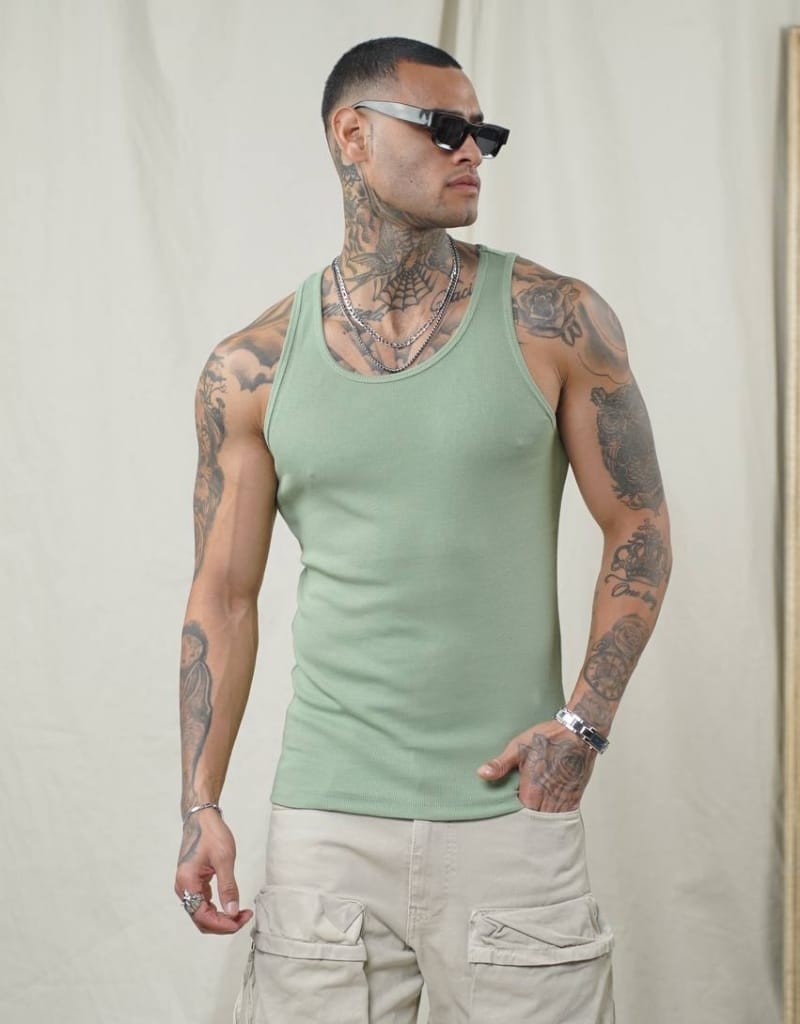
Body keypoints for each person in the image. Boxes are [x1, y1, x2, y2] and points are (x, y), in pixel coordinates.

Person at [174, 35, 671, 1024]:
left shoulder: (553, 321)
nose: (471, 150)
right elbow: (222, 598)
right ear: (351, 135)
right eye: (442, 128)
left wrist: (583, 726)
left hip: (511, 816)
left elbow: (638, 525)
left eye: (483, 132)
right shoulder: (250, 367)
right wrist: (200, 803)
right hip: (324, 827)